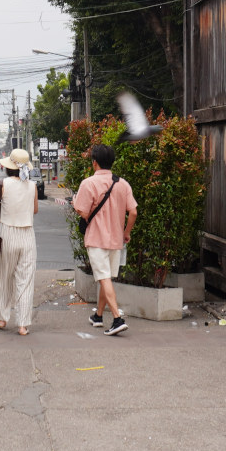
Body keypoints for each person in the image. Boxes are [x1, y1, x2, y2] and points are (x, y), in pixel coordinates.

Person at [71, 143, 138, 336]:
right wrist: (127, 232)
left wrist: (76, 203)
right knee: (106, 277)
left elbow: (83, 212)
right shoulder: (122, 183)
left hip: (97, 239)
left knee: (103, 278)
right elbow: (133, 212)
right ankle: (98, 316)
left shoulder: (88, 183)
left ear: (94, 163)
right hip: (116, 240)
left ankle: (117, 319)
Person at [0, 148, 39, 335]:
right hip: (28, 235)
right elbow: (34, 210)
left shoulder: (2, 185)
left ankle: (3, 318)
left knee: (4, 278)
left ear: (8, 167)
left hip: (7, 234)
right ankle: (23, 325)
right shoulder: (32, 186)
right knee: (26, 280)